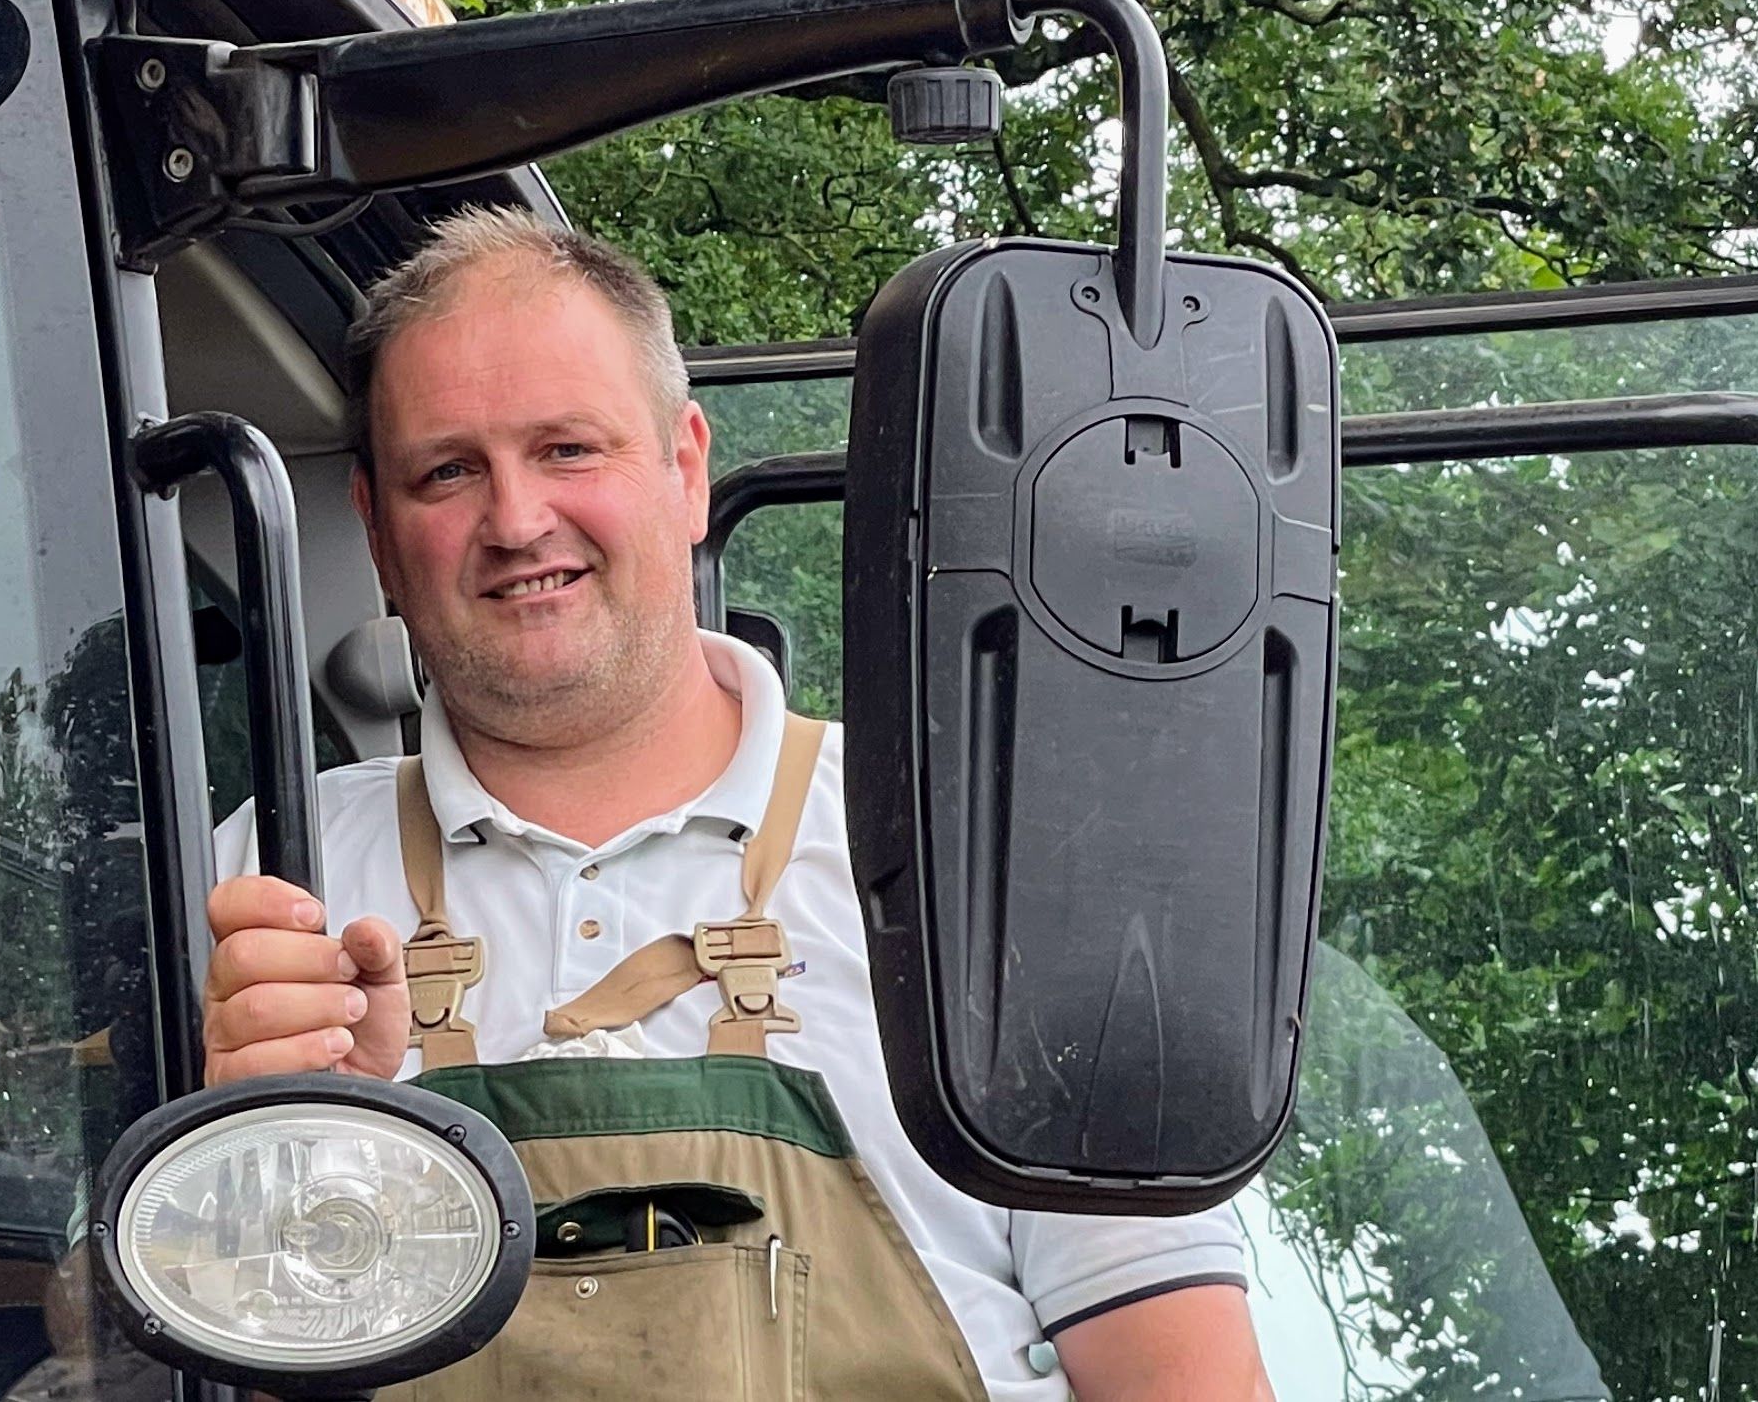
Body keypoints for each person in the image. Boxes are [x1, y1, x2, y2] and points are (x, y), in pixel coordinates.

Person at [210, 206, 1273, 1401]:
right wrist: (258, 1149)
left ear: (687, 467)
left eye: (568, 449)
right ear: (377, 528)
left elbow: (1186, 1378)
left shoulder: (976, 868)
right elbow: (83, 1324)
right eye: (449, 470)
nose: (516, 522)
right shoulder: (270, 879)